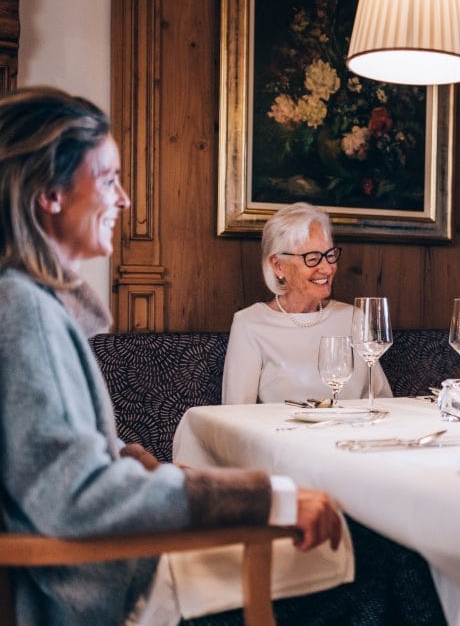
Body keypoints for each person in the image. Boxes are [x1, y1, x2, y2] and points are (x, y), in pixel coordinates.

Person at [0, 87, 343, 624]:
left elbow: (86, 461)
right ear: (51, 194)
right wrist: (266, 500)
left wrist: (172, 473)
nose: (124, 201)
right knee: (362, 556)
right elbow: (79, 495)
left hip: (115, 561)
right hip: (110, 584)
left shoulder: (28, 301)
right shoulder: (23, 309)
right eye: (109, 179)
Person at [221, 202, 391, 405]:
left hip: (351, 435)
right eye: (312, 258)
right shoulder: (250, 324)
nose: (327, 269)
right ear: (278, 266)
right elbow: (236, 416)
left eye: (329, 255)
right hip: (281, 436)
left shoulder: (353, 317)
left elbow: (381, 401)